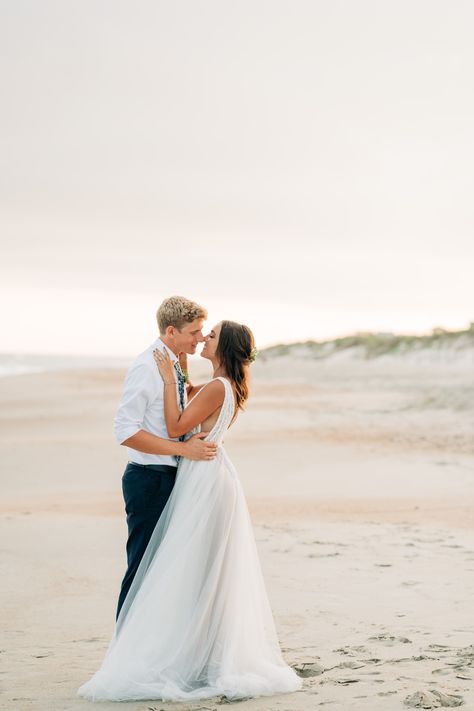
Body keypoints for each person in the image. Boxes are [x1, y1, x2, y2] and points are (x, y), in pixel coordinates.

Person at [78, 320, 301, 702]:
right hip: (211, 474)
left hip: (205, 477)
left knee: (185, 567)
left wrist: (168, 380)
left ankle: (177, 654)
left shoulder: (218, 386)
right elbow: (189, 401)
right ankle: (198, 653)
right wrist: (178, 372)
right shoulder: (222, 384)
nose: (203, 338)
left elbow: (174, 423)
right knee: (200, 571)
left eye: (210, 335)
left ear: (224, 345)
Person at [113, 296, 218, 620]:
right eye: (195, 331)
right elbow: (125, 430)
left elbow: (178, 402)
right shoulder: (147, 367)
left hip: (168, 476)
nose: (200, 338)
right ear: (171, 331)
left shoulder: (172, 360)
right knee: (142, 567)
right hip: (148, 479)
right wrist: (185, 449)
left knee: (164, 571)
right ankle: (124, 648)